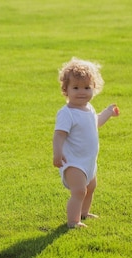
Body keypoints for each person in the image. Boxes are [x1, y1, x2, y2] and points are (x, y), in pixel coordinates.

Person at [52, 58, 119, 228]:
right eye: (76, 88)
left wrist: (108, 113)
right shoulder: (67, 113)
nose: (82, 92)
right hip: (73, 162)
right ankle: (73, 221)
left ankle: (83, 212)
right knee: (79, 191)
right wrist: (57, 154)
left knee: (90, 187)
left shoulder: (88, 108)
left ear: (94, 88)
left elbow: (94, 123)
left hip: (88, 161)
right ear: (65, 89)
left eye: (87, 87)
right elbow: (59, 135)